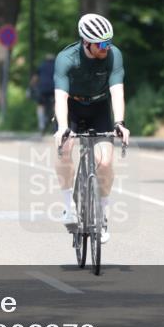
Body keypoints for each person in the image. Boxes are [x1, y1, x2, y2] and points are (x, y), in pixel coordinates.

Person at [52, 13, 130, 244]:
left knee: (105, 162)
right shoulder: (66, 59)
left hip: (98, 107)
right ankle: (69, 207)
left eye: (109, 42)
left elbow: (117, 91)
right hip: (72, 106)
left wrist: (120, 123)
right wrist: (63, 127)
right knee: (65, 147)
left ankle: (102, 216)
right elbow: (60, 97)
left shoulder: (113, 55)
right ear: (86, 43)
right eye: (102, 44)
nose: (107, 47)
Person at [30, 54, 56, 135]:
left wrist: (32, 86)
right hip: (53, 89)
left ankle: (42, 125)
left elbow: (34, 79)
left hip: (42, 89)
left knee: (40, 106)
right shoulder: (56, 66)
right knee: (55, 105)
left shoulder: (41, 66)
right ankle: (55, 124)